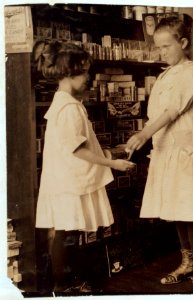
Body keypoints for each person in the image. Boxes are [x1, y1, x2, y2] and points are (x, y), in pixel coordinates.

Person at [33, 40, 135, 292]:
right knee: (67, 233)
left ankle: (67, 283)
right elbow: (78, 149)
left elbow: (78, 145)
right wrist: (113, 163)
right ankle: (63, 286)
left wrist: (112, 151)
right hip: (70, 182)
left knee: (68, 231)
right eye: (84, 72)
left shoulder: (63, 103)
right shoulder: (69, 108)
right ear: (68, 75)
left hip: (66, 179)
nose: (88, 78)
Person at [126, 16, 193, 293]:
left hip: (185, 152)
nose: (161, 52)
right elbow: (158, 111)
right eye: (158, 47)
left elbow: (172, 110)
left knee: (191, 210)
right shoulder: (166, 74)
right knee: (176, 210)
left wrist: (143, 134)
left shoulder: (192, 71)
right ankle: (186, 261)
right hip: (166, 150)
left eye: (167, 46)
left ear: (184, 43)